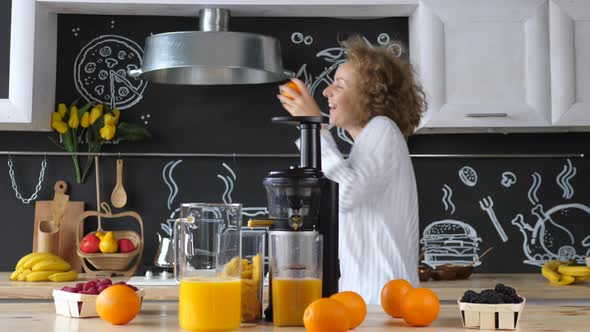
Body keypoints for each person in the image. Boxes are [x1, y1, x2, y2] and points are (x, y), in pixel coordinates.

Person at [277, 35, 427, 304]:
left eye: (340, 85)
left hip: (382, 302)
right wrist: (311, 130)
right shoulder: (368, 144)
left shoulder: (383, 129)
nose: (326, 92)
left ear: (370, 94)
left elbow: (344, 195)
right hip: (369, 299)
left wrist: (318, 128)